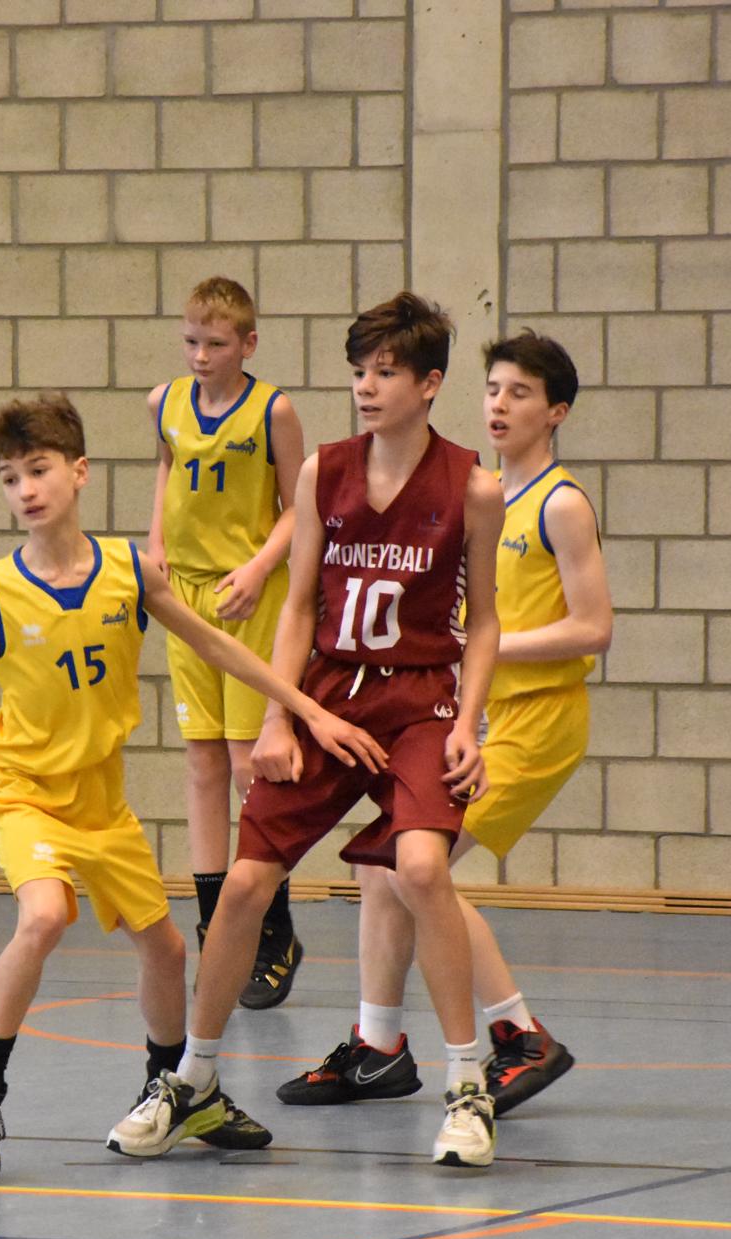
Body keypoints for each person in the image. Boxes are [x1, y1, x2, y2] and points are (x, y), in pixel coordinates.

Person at [0, 393, 383, 1178]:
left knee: (167, 949)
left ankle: (178, 1090)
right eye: (9, 477)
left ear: (80, 471)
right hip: (24, 791)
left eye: (38, 469)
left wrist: (305, 710)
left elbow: (219, 647)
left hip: (102, 803)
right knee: (44, 914)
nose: (25, 488)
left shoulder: (130, 571)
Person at [108, 291, 506, 1168]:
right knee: (246, 881)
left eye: (386, 372)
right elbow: (295, 608)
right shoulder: (324, 471)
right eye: (359, 371)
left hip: (420, 700)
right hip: (328, 691)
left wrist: (469, 724)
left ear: (429, 383)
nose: (365, 386)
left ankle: (468, 1083)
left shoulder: (474, 487)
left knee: (421, 867)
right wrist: (279, 714)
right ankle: (192, 1078)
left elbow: (484, 621)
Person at [280, 330, 609, 1116]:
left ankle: (520, 1033)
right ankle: (378, 1044)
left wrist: (478, 647)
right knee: (379, 866)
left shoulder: (561, 504)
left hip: (536, 721)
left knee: (409, 868)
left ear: (556, 412)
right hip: (472, 710)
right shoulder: (476, 490)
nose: (500, 404)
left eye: (520, 393)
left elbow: (595, 626)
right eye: (493, 389)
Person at [145, 277, 308, 1008]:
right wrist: (155, 550)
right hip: (186, 593)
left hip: (249, 596)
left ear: (248, 344)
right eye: (191, 341)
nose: (200, 355)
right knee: (203, 761)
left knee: (251, 764)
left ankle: (273, 928)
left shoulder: (274, 410)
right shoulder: (164, 403)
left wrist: (261, 565)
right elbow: (167, 472)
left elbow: (298, 507)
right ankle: (217, 928)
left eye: (215, 343)